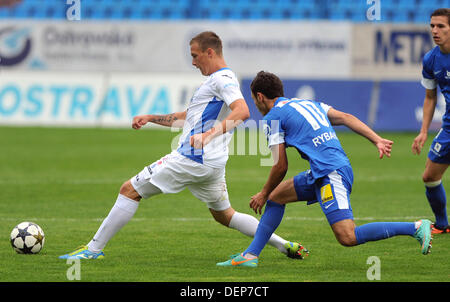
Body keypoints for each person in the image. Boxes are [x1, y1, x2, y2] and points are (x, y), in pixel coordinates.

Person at [59, 32, 306, 260]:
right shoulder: (214, 83)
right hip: (212, 164)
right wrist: (151, 118)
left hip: (193, 158)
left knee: (129, 190)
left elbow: (241, 111)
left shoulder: (223, 79)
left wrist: (208, 135)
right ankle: (285, 245)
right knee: (225, 215)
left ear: (210, 53)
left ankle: (92, 250)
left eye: (195, 56)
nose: (193, 62)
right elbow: (188, 117)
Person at [217, 71, 433, 267]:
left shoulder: (273, 117)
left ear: (260, 97)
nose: (255, 104)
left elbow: (281, 165)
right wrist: (376, 139)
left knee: (347, 236)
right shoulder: (308, 104)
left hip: (331, 173)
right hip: (323, 171)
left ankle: (414, 227)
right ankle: (250, 256)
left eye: (254, 99)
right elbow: (346, 118)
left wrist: (262, 193)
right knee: (277, 197)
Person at [412, 8, 450, 234]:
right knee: (430, 176)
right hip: (448, 128)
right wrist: (424, 131)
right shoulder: (431, 59)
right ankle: (443, 225)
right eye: (432, 26)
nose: (435, 31)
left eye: (441, 26)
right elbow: (430, 97)